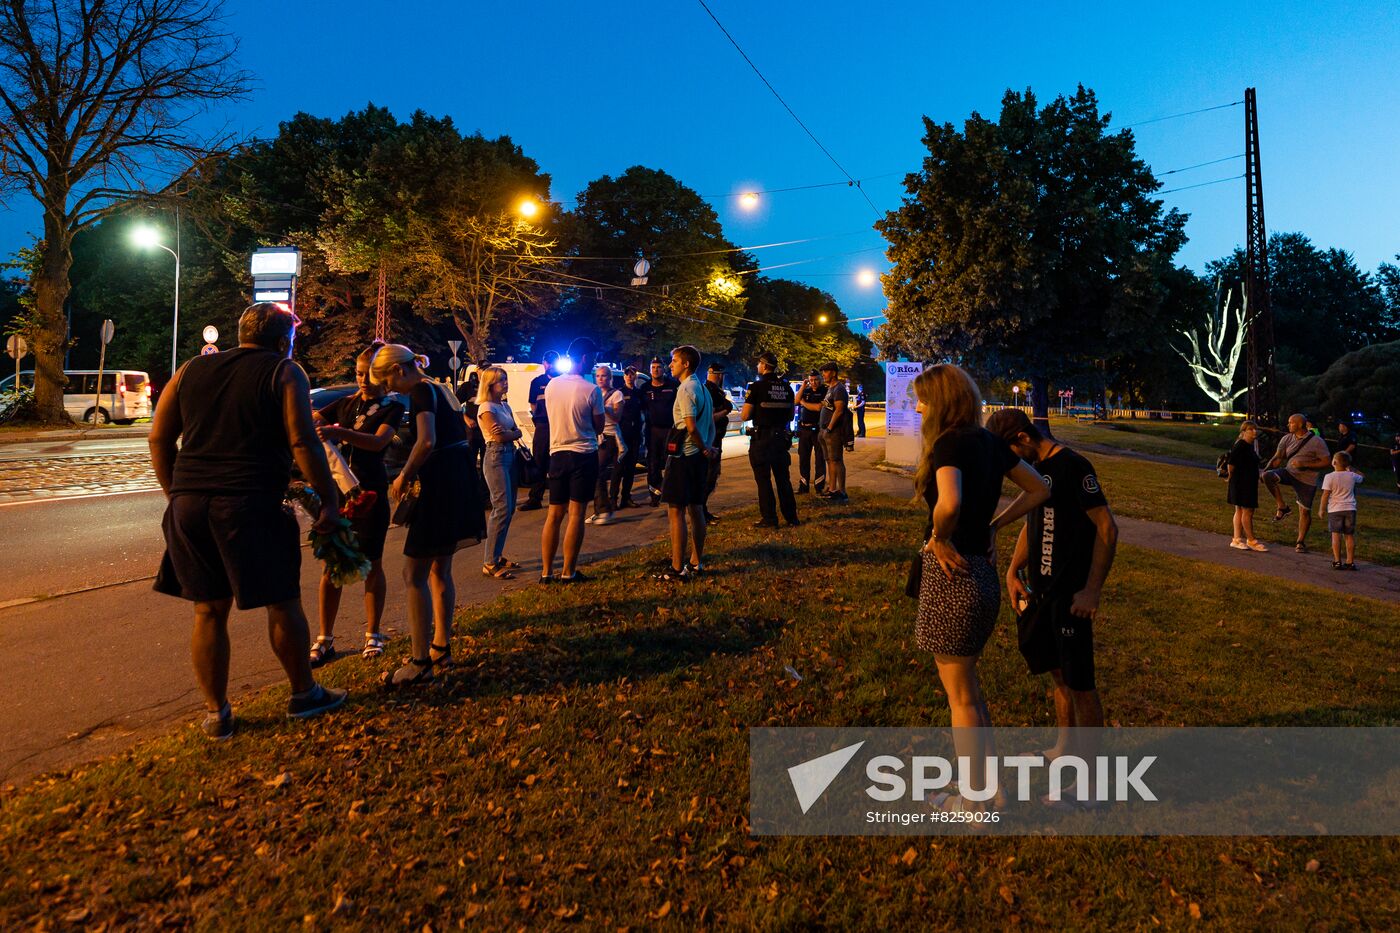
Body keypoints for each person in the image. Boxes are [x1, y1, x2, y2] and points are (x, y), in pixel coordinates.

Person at [150, 302, 348, 738]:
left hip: (189, 505)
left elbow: (159, 437)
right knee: (281, 600)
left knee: (208, 610)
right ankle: (304, 694)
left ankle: (217, 714)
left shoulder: (188, 371)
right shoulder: (284, 371)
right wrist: (329, 501)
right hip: (249, 502)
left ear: (241, 333)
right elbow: (302, 441)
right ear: (283, 342)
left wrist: (175, 493)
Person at [911, 365, 1048, 813]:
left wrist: (940, 536)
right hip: (982, 576)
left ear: (941, 401)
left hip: (953, 577)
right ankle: (991, 790)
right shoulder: (989, 441)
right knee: (969, 689)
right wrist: (994, 525)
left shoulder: (949, 443)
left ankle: (974, 804)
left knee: (961, 697)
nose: (918, 408)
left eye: (923, 400)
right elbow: (1039, 488)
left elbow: (949, 503)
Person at [986, 408, 1119, 801]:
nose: (1011, 465)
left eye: (1011, 454)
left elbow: (1107, 527)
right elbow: (1035, 521)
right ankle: (1064, 748)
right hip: (1042, 593)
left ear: (1023, 439)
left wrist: (1092, 590)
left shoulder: (1073, 466)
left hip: (1070, 595)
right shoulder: (1038, 471)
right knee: (1059, 675)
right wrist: (1013, 569)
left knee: (1081, 686)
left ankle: (1089, 785)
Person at [373, 344, 486, 686]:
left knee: (413, 573)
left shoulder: (421, 391)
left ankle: (420, 661)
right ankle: (440, 647)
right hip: (457, 480)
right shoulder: (441, 389)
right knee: (440, 569)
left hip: (438, 486)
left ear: (399, 370)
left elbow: (425, 441)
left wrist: (404, 476)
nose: (389, 389)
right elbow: (462, 433)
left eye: (387, 381)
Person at [311, 342, 406, 665]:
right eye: (358, 374)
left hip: (371, 493)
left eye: (368, 375)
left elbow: (378, 441)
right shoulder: (345, 404)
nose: (363, 380)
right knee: (331, 566)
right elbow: (312, 418)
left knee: (372, 564)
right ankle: (325, 638)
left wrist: (339, 434)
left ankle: (373, 634)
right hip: (337, 494)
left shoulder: (391, 407)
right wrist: (310, 417)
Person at [540, 337, 605, 582]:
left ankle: (546, 572)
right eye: (594, 358)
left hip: (557, 453)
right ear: (585, 357)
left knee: (554, 515)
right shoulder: (591, 389)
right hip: (583, 454)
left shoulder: (552, 385)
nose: (594, 363)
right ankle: (568, 572)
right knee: (576, 514)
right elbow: (599, 427)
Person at [655, 345, 718, 581]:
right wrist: (708, 448)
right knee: (696, 508)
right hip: (698, 459)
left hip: (684, 457)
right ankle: (695, 562)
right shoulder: (703, 389)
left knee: (676, 511)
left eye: (674, 361)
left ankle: (676, 568)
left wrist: (702, 448)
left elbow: (690, 426)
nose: (670, 365)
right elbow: (710, 425)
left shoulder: (685, 388)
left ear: (686, 364)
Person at [741, 351, 800, 528]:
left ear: (765, 366)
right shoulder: (787, 387)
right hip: (781, 439)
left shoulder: (756, 387)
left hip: (762, 440)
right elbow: (791, 415)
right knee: (783, 479)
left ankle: (769, 519)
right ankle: (791, 518)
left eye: (759, 363)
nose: (757, 366)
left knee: (764, 480)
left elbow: (745, 415)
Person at [477, 366, 523, 580]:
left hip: (510, 455)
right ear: (490, 384)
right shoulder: (486, 407)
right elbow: (498, 437)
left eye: (505, 379)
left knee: (509, 508)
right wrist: (513, 433)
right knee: (501, 507)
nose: (505, 383)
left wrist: (512, 433)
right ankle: (489, 562)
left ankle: (496, 554)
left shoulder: (504, 406)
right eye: (501, 380)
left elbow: (513, 431)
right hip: (496, 457)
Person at [1262, 413, 1332, 552]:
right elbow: (1278, 458)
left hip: (1307, 480)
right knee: (1267, 476)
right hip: (1289, 473)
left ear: (1300, 424)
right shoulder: (1287, 438)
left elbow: (1326, 462)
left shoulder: (1317, 441)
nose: (1288, 425)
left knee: (1305, 511)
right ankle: (1282, 507)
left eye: (1291, 422)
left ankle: (1300, 542)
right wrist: (1265, 471)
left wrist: (1305, 465)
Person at [800, 362, 851, 502]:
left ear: (833, 373)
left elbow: (839, 410)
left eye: (826, 371)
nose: (823, 374)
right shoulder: (830, 389)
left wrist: (829, 427)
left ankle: (842, 492)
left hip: (833, 431)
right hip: (824, 430)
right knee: (829, 460)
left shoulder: (839, 389)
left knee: (837, 460)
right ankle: (832, 489)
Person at [518, 351, 559, 511]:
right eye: (548, 361)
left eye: (553, 361)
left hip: (559, 426)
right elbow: (533, 405)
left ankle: (559, 499)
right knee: (539, 462)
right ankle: (535, 499)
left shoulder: (563, 381)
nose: (550, 364)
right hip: (542, 426)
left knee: (558, 463)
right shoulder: (537, 382)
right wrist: (538, 419)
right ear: (544, 363)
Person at [588, 364, 625, 526]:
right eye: (597, 376)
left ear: (610, 377)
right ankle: (598, 510)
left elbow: (617, 417)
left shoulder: (617, 394)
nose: (600, 378)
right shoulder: (595, 392)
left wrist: (604, 408)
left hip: (609, 437)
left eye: (603, 375)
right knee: (594, 473)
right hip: (596, 436)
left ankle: (605, 509)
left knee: (598, 472)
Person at [1224, 420, 1268, 552]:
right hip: (1243, 483)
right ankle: (1251, 540)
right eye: (1251, 429)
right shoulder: (1241, 445)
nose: (1254, 432)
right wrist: (1230, 476)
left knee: (1240, 510)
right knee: (1247, 511)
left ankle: (1236, 539)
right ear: (1243, 432)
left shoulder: (1248, 445)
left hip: (1244, 482)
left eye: (1255, 429)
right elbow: (1231, 463)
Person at [642, 358, 679, 507]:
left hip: (670, 430)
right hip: (653, 432)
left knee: (672, 463)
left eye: (658, 367)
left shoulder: (673, 385)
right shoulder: (645, 388)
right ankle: (655, 496)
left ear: (663, 369)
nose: (656, 370)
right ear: (650, 370)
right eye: (653, 367)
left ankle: (671, 493)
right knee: (653, 465)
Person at [1318, 451, 1364, 571]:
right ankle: (1350, 562)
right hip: (1350, 509)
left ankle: (1337, 561)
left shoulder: (1329, 477)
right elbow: (1362, 477)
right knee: (1349, 536)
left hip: (1335, 510)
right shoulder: (1352, 475)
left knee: (1336, 535)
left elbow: (1325, 494)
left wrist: (1322, 509)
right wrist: (1351, 468)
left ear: (1334, 462)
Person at [702, 361, 734, 524]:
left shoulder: (714, 391)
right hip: (711, 441)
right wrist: (725, 411)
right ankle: (701, 512)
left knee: (711, 477)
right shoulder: (710, 392)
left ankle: (703, 511)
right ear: (719, 375)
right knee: (708, 477)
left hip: (715, 440)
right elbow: (710, 418)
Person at [613, 366, 646, 508]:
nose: (629, 377)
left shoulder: (639, 393)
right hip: (622, 435)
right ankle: (613, 499)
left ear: (635, 377)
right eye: (627, 374)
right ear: (624, 377)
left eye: (632, 374)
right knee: (618, 469)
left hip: (635, 435)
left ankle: (626, 498)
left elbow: (644, 412)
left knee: (630, 469)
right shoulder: (619, 393)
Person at [795, 372, 826, 494]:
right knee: (803, 458)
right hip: (804, 429)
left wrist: (803, 403)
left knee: (820, 459)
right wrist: (803, 386)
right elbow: (796, 401)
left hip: (817, 430)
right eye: (811, 380)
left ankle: (819, 487)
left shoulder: (824, 391)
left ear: (820, 379)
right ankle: (803, 486)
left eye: (816, 379)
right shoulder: (806, 391)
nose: (813, 382)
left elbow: (818, 407)